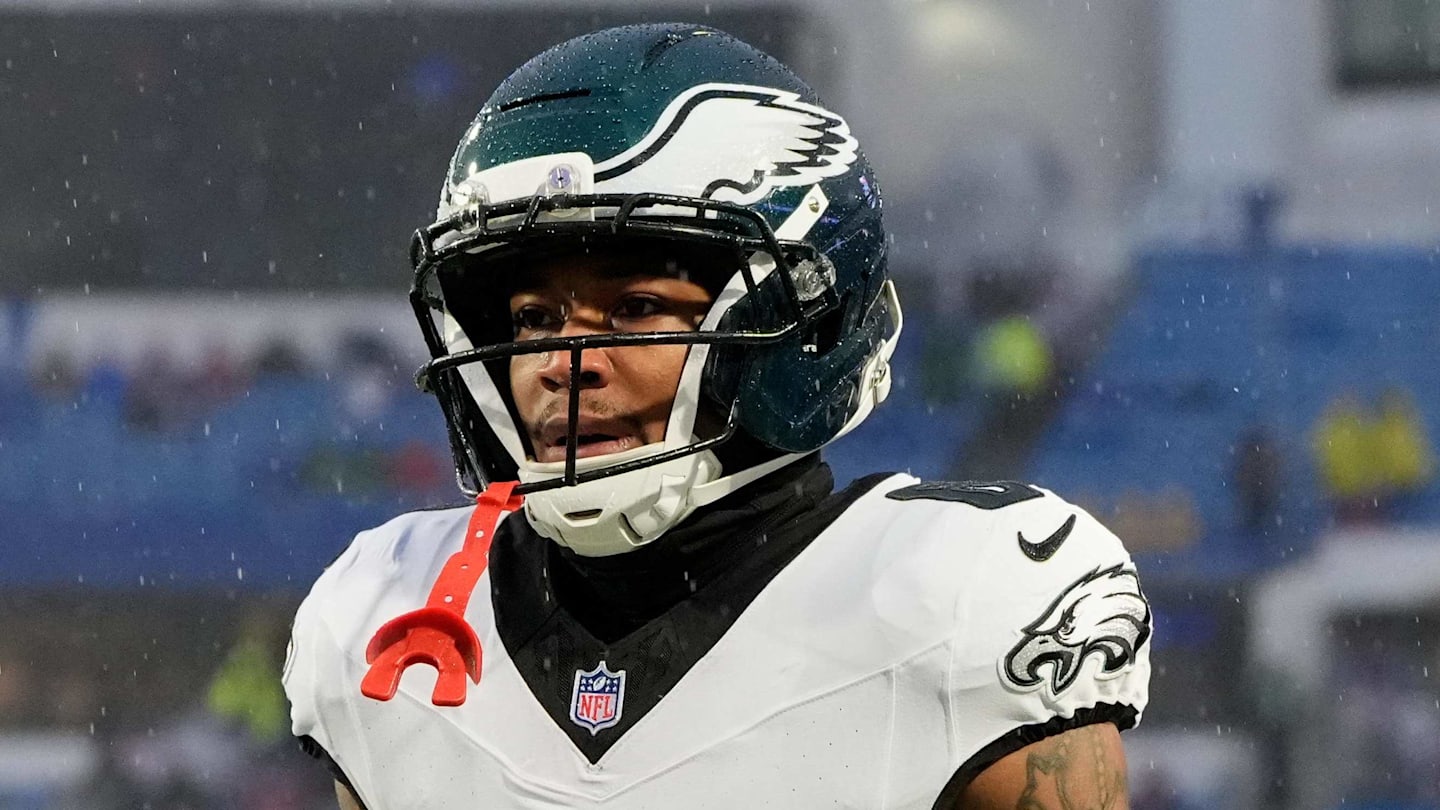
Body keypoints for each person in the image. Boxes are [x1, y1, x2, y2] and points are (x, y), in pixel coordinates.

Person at [283, 23, 1151, 810]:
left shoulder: (958, 601)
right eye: (534, 319)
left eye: (635, 309)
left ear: (804, 325)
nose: (561, 365)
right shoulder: (386, 613)